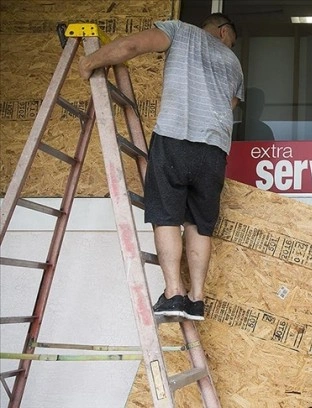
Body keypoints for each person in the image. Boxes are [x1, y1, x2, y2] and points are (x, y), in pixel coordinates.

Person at [78, 13, 244, 320]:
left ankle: (173, 294)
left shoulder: (180, 32)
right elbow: (230, 103)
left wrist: (90, 63)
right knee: (199, 225)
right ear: (223, 32)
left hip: (176, 137)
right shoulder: (233, 62)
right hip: (215, 151)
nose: (228, 45)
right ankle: (196, 298)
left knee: (167, 217)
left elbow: (131, 46)